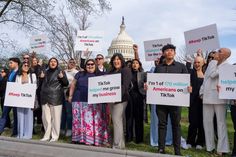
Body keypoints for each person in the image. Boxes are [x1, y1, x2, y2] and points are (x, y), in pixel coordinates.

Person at [154, 44, 191, 155]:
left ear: (174, 53)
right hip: (161, 101)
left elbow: (187, 82)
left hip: (176, 102)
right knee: (162, 124)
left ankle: (177, 150)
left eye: (171, 50)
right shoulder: (158, 68)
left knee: (176, 125)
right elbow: (154, 82)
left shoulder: (181, 67)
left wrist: (189, 87)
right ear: (163, 53)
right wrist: (149, 87)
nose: (169, 52)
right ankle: (161, 149)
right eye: (167, 50)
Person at [68, 59, 110, 146]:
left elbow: (109, 82)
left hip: (94, 102)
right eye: (88, 64)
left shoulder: (101, 75)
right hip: (79, 100)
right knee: (79, 120)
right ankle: (79, 139)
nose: (90, 66)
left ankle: (94, 140)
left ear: (95, 65)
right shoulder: (79, 74)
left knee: (93, 121)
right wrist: (70, 96)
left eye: (92, 64)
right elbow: (73, 84)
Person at [200, 48, 231, 155]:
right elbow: (206, 79)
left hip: (219, 97)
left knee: (221, 122)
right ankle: (210, 147)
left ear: (226, 55)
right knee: (207, 122)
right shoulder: (212, 64)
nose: (216, 53)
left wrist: (213, 61)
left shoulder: (227, 66)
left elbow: (213, 74)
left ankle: (222, 148)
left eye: (220, 51)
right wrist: (201, 92)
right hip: (207, 96)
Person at [40, 57, 69, 142]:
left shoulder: (60, 71)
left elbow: (66, 83)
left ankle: (55, 136)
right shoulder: (45, 71)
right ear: (49, 63)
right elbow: (40, 84)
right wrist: (41, 78)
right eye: (51, 61)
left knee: (55, 119)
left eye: (54, 61)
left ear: (57, 63)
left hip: (56, 97)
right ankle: (46, 136)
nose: (53, 63)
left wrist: (62, 77)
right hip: (45, 97)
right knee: (46, 118)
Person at [109, 53, 132, 149]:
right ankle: (120, 144)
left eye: (118, 59)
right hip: (111, 99)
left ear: (121, 60)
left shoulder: (125, 70)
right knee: (117, 121)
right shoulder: (111, 72)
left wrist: (116, 96)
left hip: (121, 99)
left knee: (116, 120)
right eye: (114, 59)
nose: (116, 61)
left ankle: (117, 145)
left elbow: (125, 86)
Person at [125, 59, 146, 143]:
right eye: (133, 63)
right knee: (129, 118)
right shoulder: (128, 74)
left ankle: (139, 138)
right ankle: (129, 137)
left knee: (139, 118)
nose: (134, 64)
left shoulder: (143, 74)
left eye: (136, 63)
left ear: (139, 65)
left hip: (139, 98)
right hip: (129, 98)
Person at [186, 56, 205, 149]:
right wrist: (188, 88)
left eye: (199, 62)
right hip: (193, 101)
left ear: (203, 63)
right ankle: (190, 141)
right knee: (193, 122)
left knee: (202, 122)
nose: (197, 64)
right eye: (195, 62)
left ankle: (200, 143)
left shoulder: (207, 73)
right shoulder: (191, 73)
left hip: (204, 102)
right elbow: (185, 83)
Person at [0, 57, 20, 136]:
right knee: (4, 114)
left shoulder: (20, 72)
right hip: (8, 97)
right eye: (9, 63)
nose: (9, 64)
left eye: (11, 63)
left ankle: (15, 132)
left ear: (16, 63)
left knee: (15, 115)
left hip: (16, 97)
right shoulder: (10, 72)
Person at [16, 62, 36, 139]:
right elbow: (15, 86)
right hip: (20, 98)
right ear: (21, 66)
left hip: (29, 98)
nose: (26, 66)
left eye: (28, 65)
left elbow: (35, 86)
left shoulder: (32, 75)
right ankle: (20, 134)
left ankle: (27, 135)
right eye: (25, 65)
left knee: (29, 116)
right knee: (20, 116)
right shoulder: (18, 76)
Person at [61, 58, 78, 137]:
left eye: (73, 62)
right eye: (70, 62)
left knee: (69, 113)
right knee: (63, 112)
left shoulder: (77, 72)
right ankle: (62, 128)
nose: (71, 63)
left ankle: (69, 129)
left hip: (70, 93)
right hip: (62, 92)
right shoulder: (64, 72)